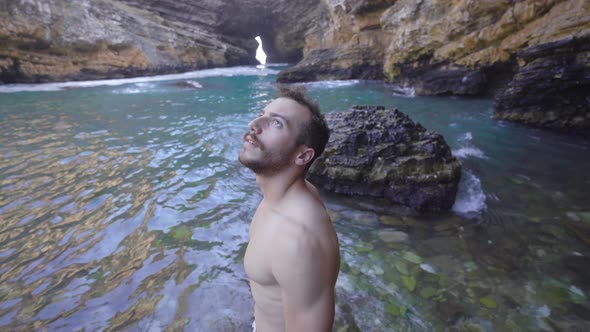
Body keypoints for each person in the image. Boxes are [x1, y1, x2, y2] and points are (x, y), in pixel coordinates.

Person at [239, 86, 340, 331]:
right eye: (262, 113)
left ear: (303, 156)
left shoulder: (295, 241)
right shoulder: (284, 195)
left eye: (276, 123)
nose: (255, 124)